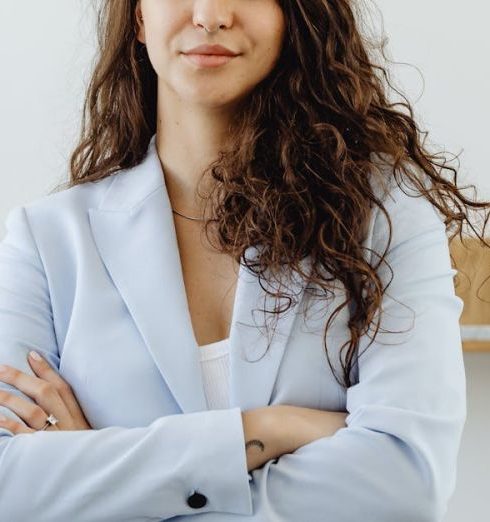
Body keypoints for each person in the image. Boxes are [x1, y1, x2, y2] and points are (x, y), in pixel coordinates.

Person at [0, 0, 488, 520]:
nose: (210, 14)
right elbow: (9, 483)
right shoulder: (45, 238)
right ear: (139, 17)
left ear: (295, 16)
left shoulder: (386, 214)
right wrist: (265, 428)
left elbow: (407, 484)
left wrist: (94, 474)